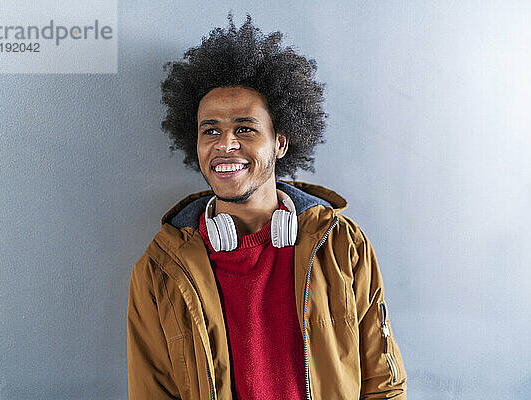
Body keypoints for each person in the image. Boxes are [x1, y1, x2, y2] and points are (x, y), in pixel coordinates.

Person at [127, 13, 407, 399]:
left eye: (245, 128)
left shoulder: (342, 245)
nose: (224, 144)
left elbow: (384, 383)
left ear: (279, 143)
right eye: (210, 130)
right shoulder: (158, 270)